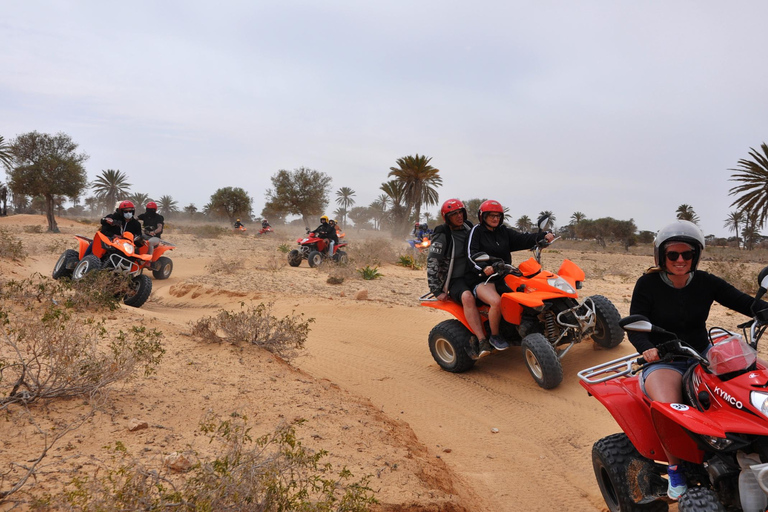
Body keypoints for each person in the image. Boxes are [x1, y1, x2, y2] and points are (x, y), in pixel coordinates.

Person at [627, 220, 767, 500]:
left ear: (696, 256)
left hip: (703, 353)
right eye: (673, 255)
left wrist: (764, 310)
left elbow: (744, 302)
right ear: (661, 256)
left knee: (757, 378)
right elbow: (635, 324)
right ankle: (677, 469)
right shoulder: (648, 284)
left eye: (687, 254)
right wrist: (647, 348)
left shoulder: (706, 282)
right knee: (667, 407)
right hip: (666, 358)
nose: (680, 260)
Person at [466, 200, 554, 351]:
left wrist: (542, 236)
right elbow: (470, 255)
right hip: (483, 278)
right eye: (491, 216)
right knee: (496, 301)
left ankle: (532, 325)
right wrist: (483, 267)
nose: (495, 219)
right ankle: (494, 336)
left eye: (498, 216)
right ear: (483, 216)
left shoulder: (504, 232)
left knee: (530, 291)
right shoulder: (477, 231)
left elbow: (522, 238)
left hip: (505, 274)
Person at [427, 199, 489, 357]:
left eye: (460, 212)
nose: (458, 216)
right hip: (454, 279)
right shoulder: (443, 234)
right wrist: (435, 290)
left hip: (473, 273)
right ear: (447, 218)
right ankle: (482, 340)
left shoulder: (469, 227)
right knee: (467, 297)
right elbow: (433, 262)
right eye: (453, 214)